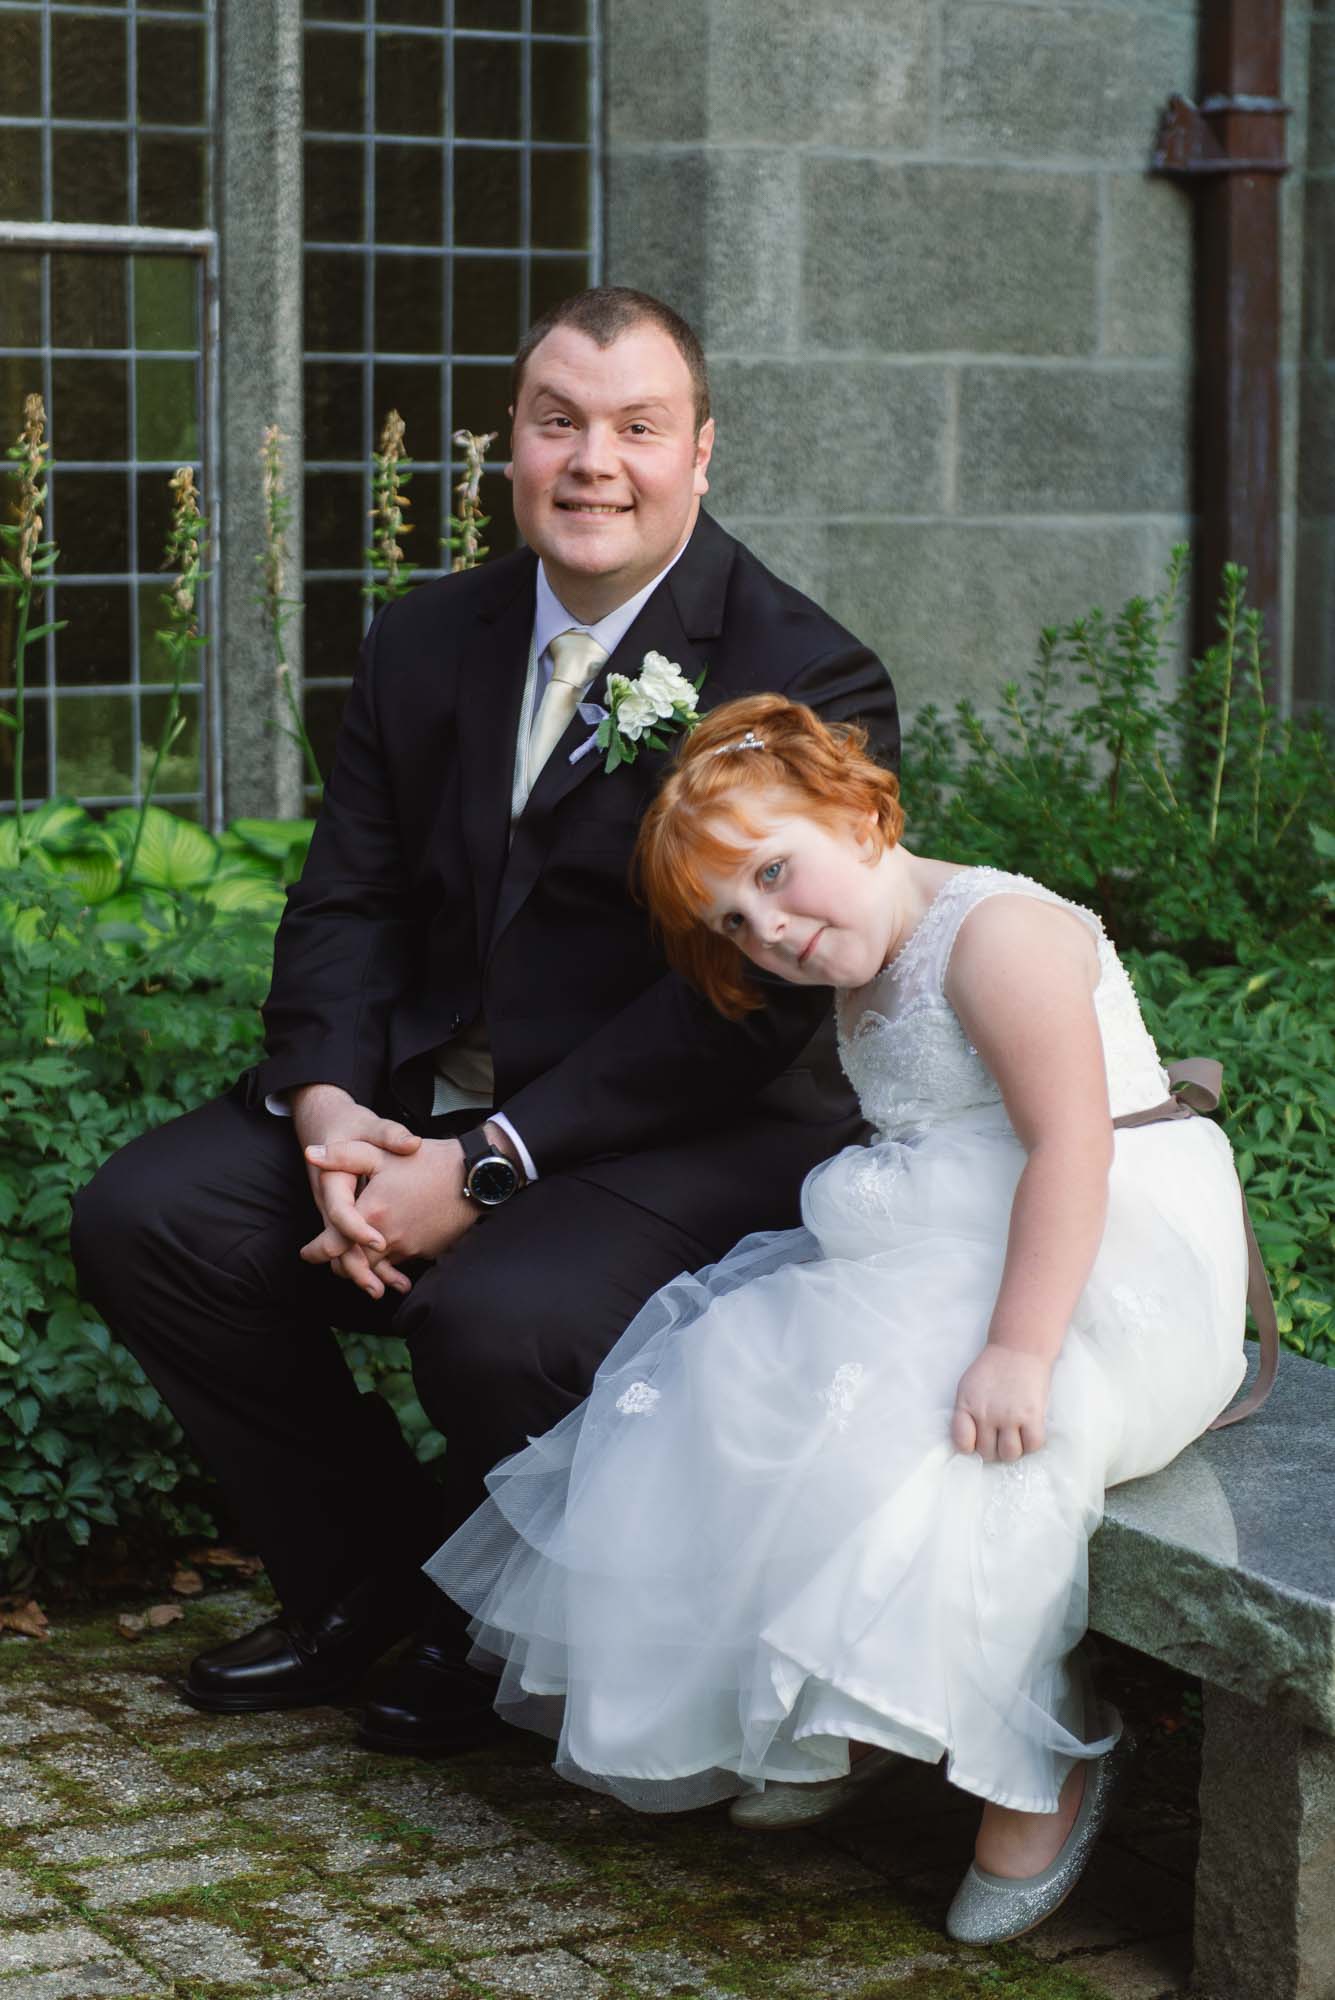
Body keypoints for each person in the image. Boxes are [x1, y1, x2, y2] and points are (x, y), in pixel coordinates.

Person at [69, 290, 898, 1754]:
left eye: (636, 427)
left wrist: (485, 1166)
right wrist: (328, 1110)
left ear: (699, 454)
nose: (594, 461)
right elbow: (346, 902)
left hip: (670, 1130)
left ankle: (502, 1621)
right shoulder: (422, 639)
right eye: (555, 421)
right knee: (156, 1216)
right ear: (507, 446)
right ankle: (368, 1577)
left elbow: (750, 1006)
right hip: (417, 1101)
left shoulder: (797, 674)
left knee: (493, 1318)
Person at [422, 693, 1249, 1944]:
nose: (776, 931)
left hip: (1100, 1259)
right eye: (736, 924)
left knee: (951, 1438)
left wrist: (1020, 1349)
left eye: (774, 874)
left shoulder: (997, 934)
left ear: (860, 811)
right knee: (740, 1381)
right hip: (950, 1239)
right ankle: (843, 1705)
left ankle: (1044, 1761)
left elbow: (1072, 1148)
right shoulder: (864, 958)